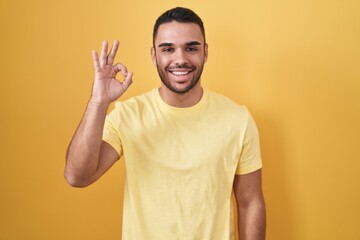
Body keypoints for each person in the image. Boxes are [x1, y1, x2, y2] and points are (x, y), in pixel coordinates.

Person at [65, 7, 266, 240]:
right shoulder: (129, 115)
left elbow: (250, 202)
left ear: (206, 53)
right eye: (168, 49)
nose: (180, 59)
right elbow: (77, 176)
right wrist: (99, 102)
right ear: (153, 55)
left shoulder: (238, 119)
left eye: (191, 48)